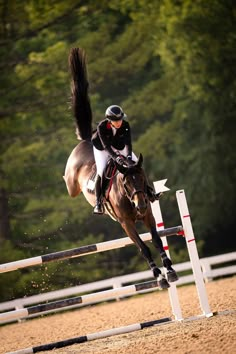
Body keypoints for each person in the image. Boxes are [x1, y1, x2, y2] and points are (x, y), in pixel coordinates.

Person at [92, 105, 159, 214]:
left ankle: (149, 191)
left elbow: (128, 144)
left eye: (120, 119)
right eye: (116, 121)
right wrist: (116, 157)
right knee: (101, 170)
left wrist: (128, 157)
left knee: (137, 165)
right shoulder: (102, 127)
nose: (119, 122)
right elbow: (106, 146)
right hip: (102, 148)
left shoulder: (126, 125)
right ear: (109, 120)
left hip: (118, 145)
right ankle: (98, 203)